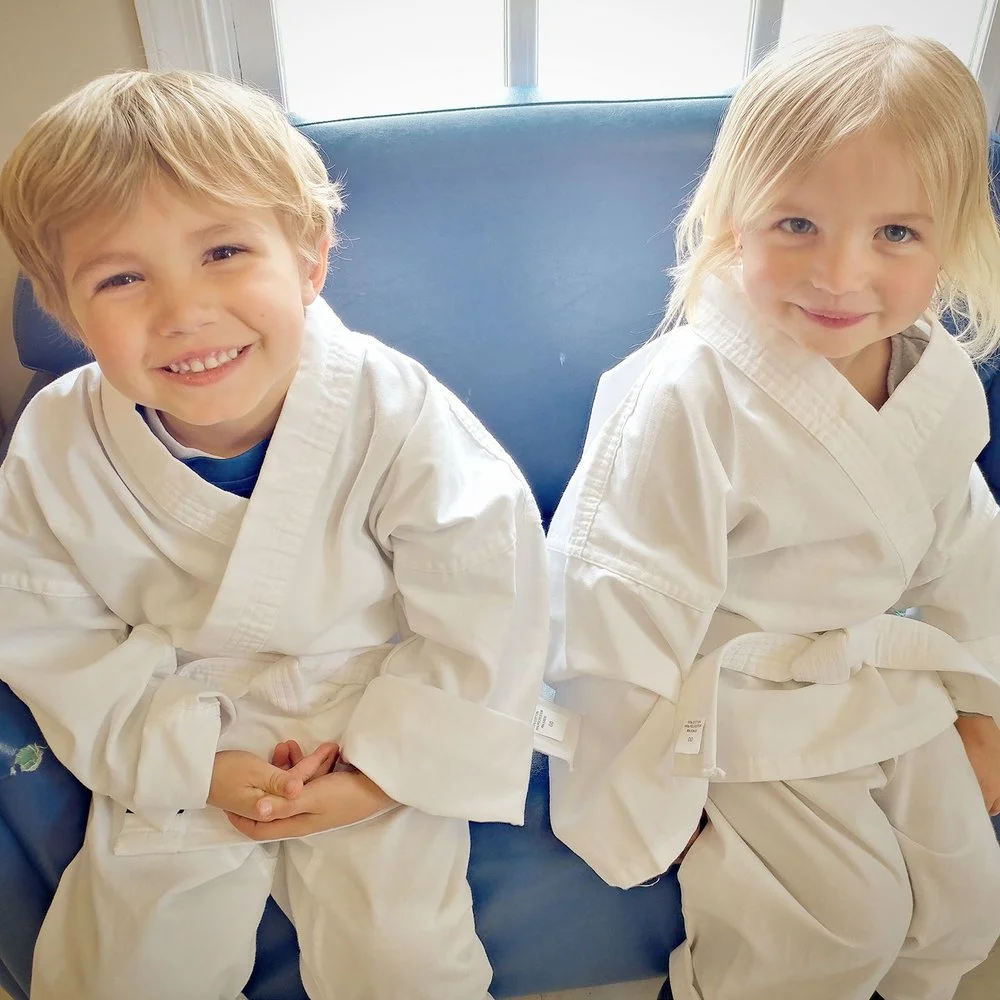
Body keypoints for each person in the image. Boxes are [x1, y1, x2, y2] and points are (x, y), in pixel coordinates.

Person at [0, 69, 548, 1000]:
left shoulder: (392, 406)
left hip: (368, 716)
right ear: (64, 310)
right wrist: (189, 766)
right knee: (129, 963)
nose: (183, 314)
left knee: (405, 957)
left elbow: (487, 586)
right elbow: (47, 630)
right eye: (123, 278)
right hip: (178, 727)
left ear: (309, 259)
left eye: (223, 253)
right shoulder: (56, 441)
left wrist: (384, 774)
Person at [545, 26, 1000, 1000]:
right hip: (728, 695)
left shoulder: (936, 377)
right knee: (838, 923)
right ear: (732, 217)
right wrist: (644, 799)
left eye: (894, 233)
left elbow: (966, 543)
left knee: (966, 891)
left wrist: (982, 702)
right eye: (797, 225)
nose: (840, 273)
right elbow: (614, 592)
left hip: (872, 667)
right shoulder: (687, 399)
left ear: (950, 237)